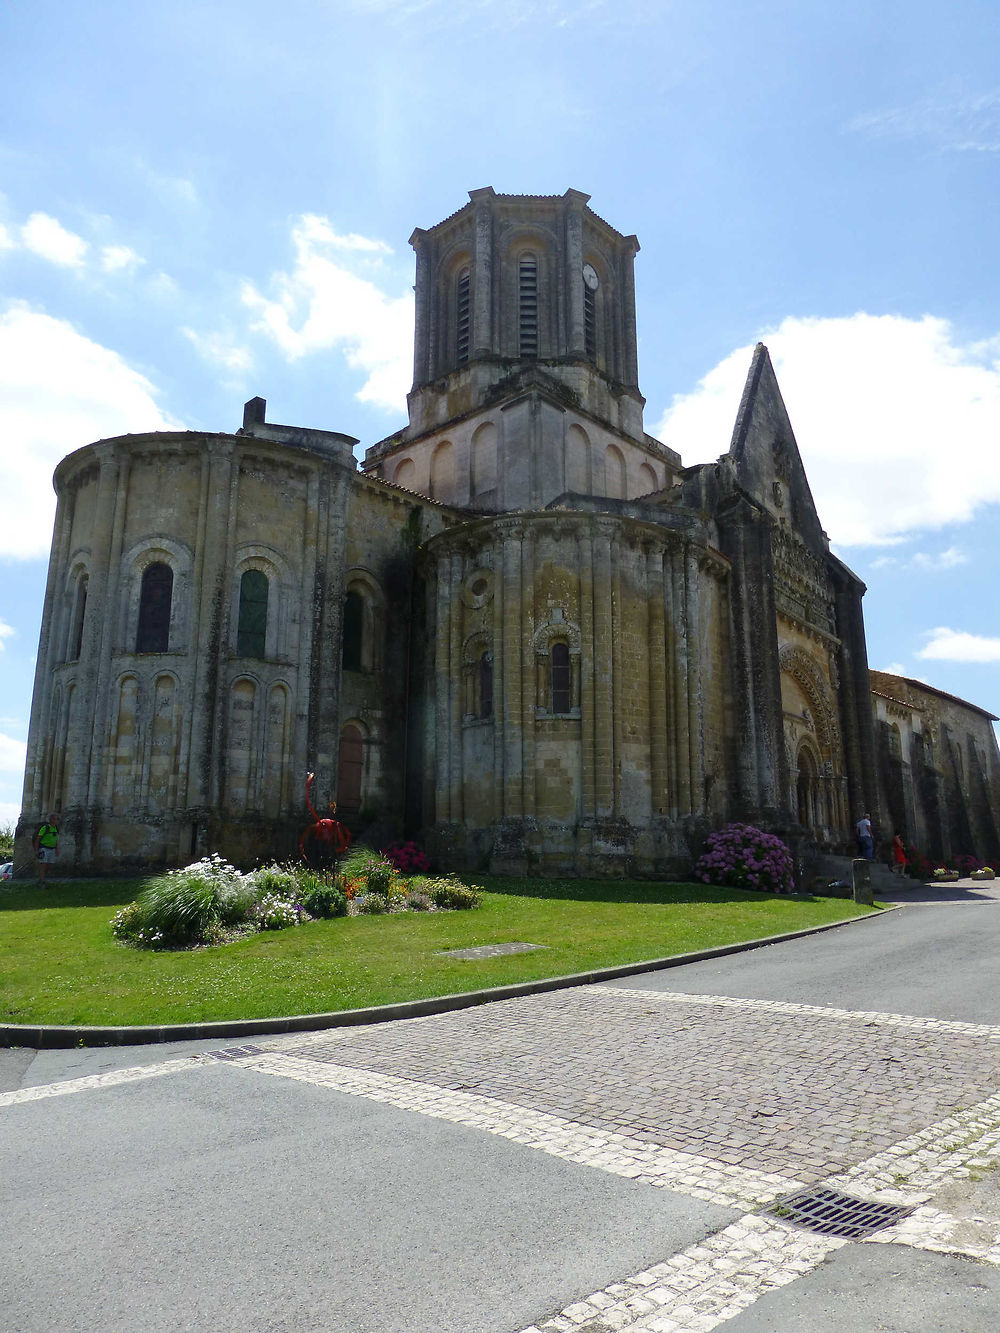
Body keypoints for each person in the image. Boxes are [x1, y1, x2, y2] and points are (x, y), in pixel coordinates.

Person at [32, 815, 58, 886]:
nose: (57, 821)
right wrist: (36, 850)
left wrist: (56, 849)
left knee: (48, 866)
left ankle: (41, 880)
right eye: (56, 819)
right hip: (44, 849)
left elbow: (54, 839)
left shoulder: (55, 828)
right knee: (43, 865)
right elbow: (38, 839)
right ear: (52, 820)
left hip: (52, 849)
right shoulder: (45, 828)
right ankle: (42, 882)